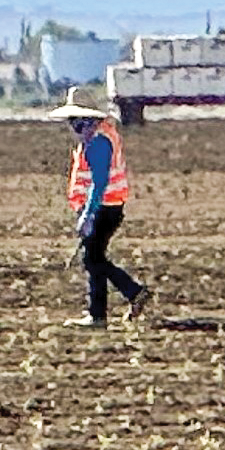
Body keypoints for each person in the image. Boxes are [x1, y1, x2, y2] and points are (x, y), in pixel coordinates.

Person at [53, 93, 152, 326]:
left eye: (76, 122)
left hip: (104, 208)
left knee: (93, 258)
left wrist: (88, 214)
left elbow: (100, 181)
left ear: (88, 121)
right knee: (94, 258)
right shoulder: (98, 138)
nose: (73, 129)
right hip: (107, 207)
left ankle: (115, 303)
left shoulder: (98, 142)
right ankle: (119, 301)